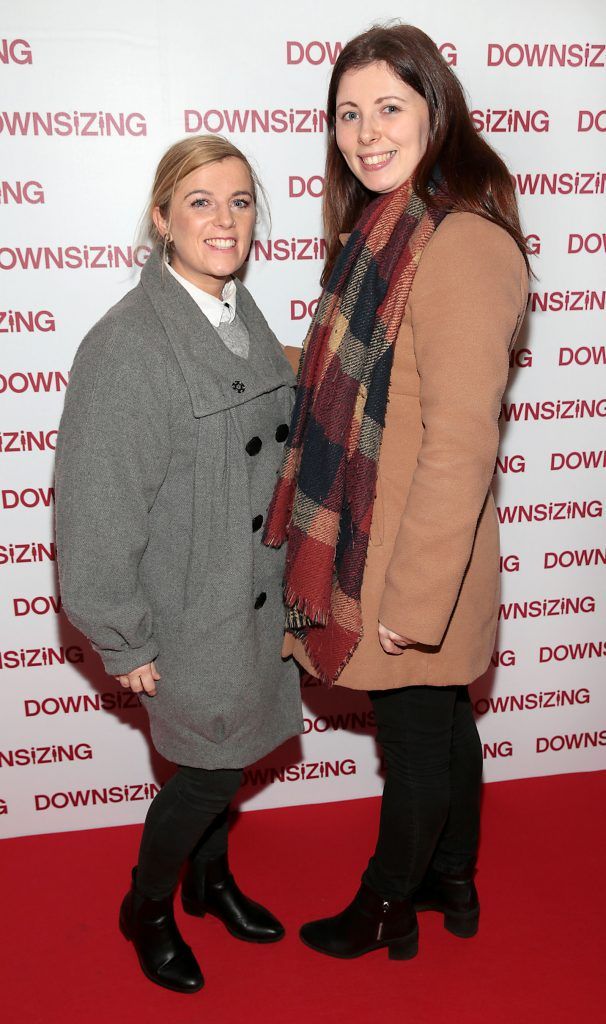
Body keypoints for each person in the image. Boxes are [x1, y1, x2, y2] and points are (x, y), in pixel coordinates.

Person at [263, 24, 529, 960]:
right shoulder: (381, 231)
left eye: (389, 107)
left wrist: (417, 601)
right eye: (348, 112)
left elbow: (460, 438)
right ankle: (454, 881)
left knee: (416, 734)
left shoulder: (459, 244)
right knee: (445, 717)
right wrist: (251, 365)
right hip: (385, 533)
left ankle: (388, 904)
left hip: (415, 552)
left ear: (434, 111)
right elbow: (359, 380)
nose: (366, 132)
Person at [55, 135, 303, 994]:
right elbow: (96, 510)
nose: (224, 220)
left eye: (240, 201)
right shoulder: (128, 345)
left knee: (231, 755)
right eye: (200, 201)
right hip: (190, 608)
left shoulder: (240, 311)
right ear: (161, 219)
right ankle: (147, 906)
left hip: (253, 599)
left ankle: (209, 880)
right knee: (208, 771)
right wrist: (123, 639)